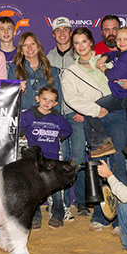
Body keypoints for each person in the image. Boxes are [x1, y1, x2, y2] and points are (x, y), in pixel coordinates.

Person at [61, 27, 127, 232]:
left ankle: (122, 218)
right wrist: (94, 109)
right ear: (73, 47)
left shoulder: (107, 60)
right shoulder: (70, 71)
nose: (81, 46)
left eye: (84, 41)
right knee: (99, 166)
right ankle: (101, 214)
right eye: (76, 43)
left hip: (116, 113)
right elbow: (71, 98)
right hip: (94, 119)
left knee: (118, 162)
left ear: (91, 42)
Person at [10, 33, 66, 228]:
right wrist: (15, 89)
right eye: (25, 45)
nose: (29, 48)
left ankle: (57, 209)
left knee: (54, 169)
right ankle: (33, 212)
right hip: (26, 125)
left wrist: (56, 128)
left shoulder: (52, 70)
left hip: (48, 127)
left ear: (38, 46)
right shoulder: (13, 70)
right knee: (29, 172)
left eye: (32, 44)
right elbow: (6, 98)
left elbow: (58, 101)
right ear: (21, 49)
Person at [46, 17, 88, 217]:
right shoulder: (47, 58)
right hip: (56, 116)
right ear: (53, 34)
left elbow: (90, 85)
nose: (62, 33)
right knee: (60, 161)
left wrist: (83, 109)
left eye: (65, 29)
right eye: (58, 30)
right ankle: (61, 204)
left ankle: (81, 201)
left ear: (71, 33)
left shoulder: (81, 54)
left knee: (78, 158)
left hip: (75, 114)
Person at [20, 86, 72, 230]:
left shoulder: (57, 116)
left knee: (56, 188)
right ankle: (35, 216)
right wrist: (23, 134)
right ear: (37, 98)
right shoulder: (28, 114)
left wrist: (59, 137)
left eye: (51, 101)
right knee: (34, 188)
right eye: (44, 99)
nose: (47, 103)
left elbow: (68, 129)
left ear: (56, 103)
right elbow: (17, 126)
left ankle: (57, 214)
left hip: (53, 159)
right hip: (34, 159)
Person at [91, 26, 127, 148]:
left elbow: (114, 75)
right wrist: (105, 57)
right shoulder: (125, 53)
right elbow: (114, 53)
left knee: (92, 109)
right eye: (119, 39)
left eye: (126, 39)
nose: (121, 42)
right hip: (126, 95)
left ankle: (101, 142)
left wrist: (103, 69)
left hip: (122, 96)